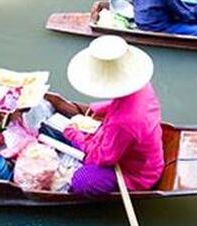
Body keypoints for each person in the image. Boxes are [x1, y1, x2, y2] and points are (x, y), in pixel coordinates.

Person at [64, 35, 163, 196]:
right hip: (145, 153)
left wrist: (76, 137)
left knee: (82, 180)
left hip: (138, 173)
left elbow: (104, 157)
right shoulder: (140, 84)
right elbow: (124, 102)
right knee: (79, 138)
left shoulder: (123, 122)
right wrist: (99, 108)